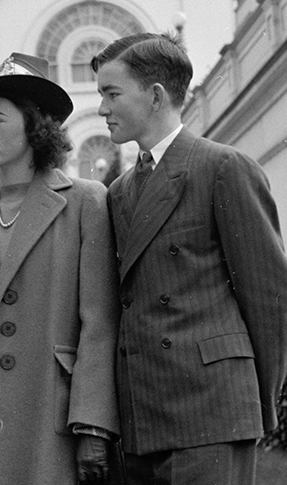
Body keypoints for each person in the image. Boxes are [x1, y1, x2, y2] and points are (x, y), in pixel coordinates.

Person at [92, 33, 287, 484]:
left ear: (156, 95)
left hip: (211, 412)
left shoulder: (222, 168)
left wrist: (251, 403)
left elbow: (270, 299)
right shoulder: (119, 192)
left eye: (112, 93)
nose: (102, 108)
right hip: (142, 416)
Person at [0, 53, 121, 485]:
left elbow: (100, 321)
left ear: (34, 125)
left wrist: (92, 424)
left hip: (53, 412)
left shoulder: (84, 201)